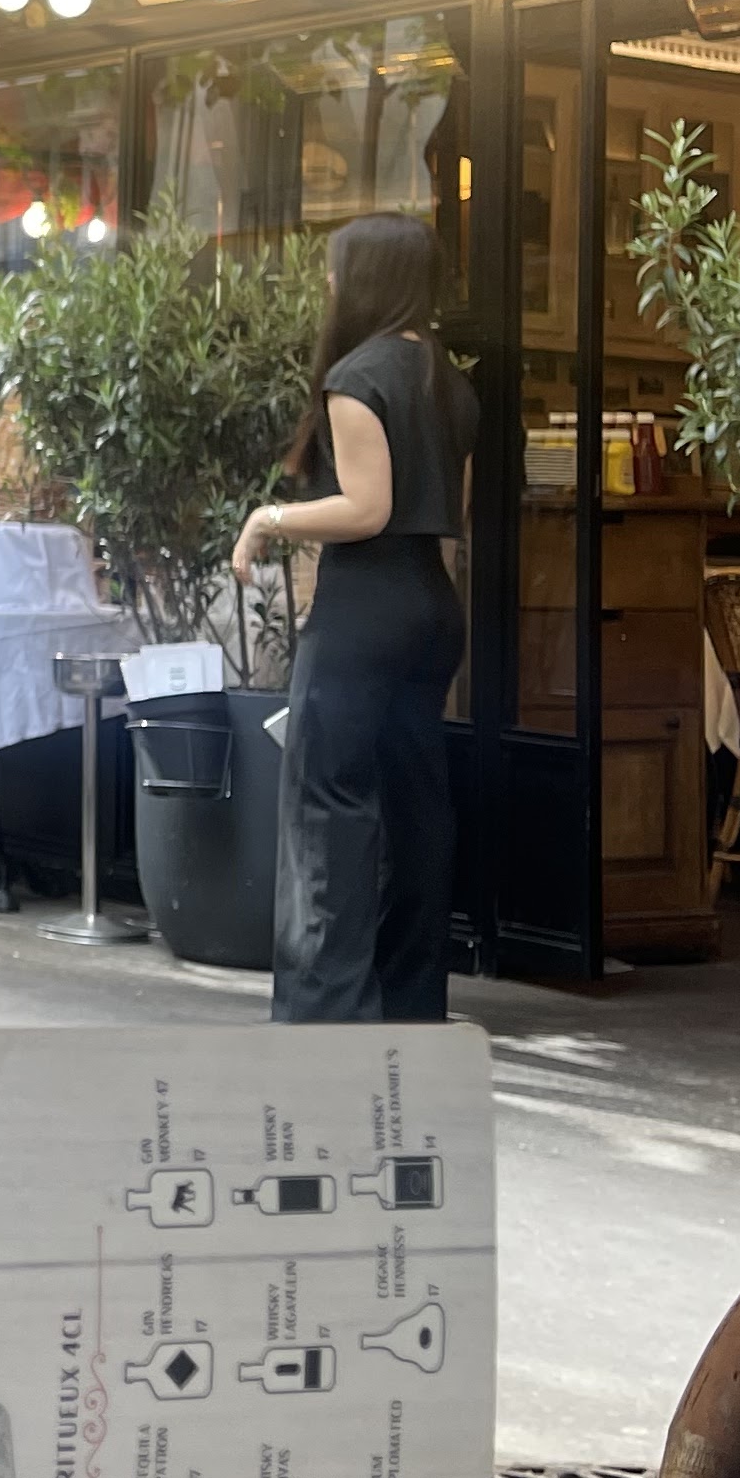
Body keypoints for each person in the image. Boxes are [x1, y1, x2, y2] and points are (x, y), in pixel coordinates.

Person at [231, 214, 479, 1025]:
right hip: (431, 605)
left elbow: (367, 509)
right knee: (416, 810)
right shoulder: (450, 381)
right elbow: (453, 513)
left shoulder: (357, 375)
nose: (330, 286)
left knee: (326, 808)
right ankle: (411, 1011)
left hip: (362, 610)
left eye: (337, 271)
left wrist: (269, 518)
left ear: (366, 279)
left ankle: (325, 1018)